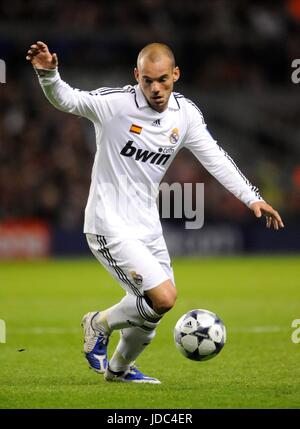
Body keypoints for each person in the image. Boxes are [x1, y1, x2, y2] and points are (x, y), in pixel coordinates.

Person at [26, 41, 284, 384]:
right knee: (162, 297)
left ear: (175, 74)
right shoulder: (115, 105)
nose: (156, 88)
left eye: (163, 79)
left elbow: (216, 158)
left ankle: (118, 370)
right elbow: (69, 99)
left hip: (147, 225)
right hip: (109, 223)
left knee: (154, 311)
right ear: (137, 77)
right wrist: (49, 75)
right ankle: (98, 323)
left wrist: (252, 198)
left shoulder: (185, 115)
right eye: (148, 81)